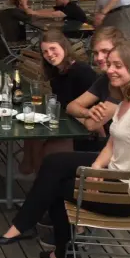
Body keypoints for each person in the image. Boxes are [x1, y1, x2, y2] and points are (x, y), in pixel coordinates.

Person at [0, 40, 130, 258]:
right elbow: (111, 144)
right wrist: (96, 169)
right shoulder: (125, 101)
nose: (110, 70)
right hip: (113, 172)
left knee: (57, 187)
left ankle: (55, 246)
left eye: (118, 65)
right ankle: (29, 228)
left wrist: (105, 179)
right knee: (54, 163)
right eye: (110, 64)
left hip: (125, 194)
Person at [19, 31, 98, 175]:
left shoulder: (82, 71)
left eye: (53, 48)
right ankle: (35, 172)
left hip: (85, 131)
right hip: (67, 123)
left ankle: (41, 176)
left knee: (47, 150)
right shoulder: (57, 73)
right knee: (31, 133)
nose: (49, 54)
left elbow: (98, 108)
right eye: (45, 51)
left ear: (64, 47)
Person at [66, 27, 126, 152]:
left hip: (117, 152)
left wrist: (80, 115)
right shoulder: (105, 79)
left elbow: (91, 125)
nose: (99, 57)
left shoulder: (122, 82)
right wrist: (87, 112)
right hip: (105, 146)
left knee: (53, 160)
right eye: (96, 53)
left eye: (105, 51)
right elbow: (71, 107)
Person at [21, 0, 88, 23]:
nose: (55, 0)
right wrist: (34, 12)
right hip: (70, 29)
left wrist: (35, 13)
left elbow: (54, 14)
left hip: (79, 33)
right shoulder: (62, 6)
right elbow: (49, 10)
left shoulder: (71, 6)